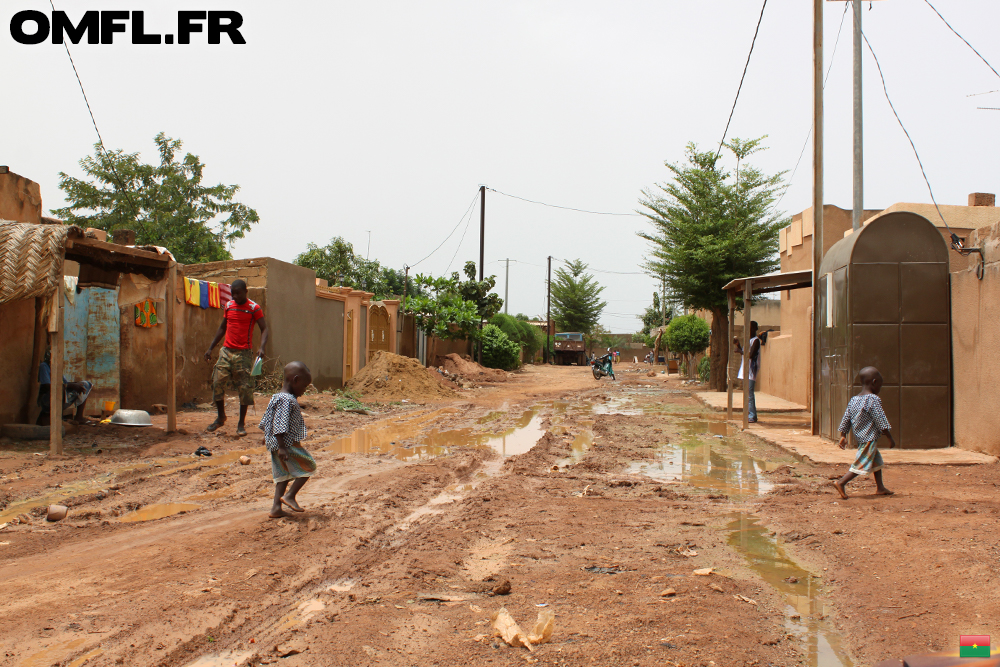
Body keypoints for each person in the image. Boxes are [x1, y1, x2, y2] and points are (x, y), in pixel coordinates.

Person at [204, 279, 269, 436]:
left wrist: (261, 347)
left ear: (246, 292)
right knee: (217, 381)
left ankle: (241, 424)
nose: (234, 296)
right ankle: (220, 417)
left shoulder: (254, 308)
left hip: (244, 353)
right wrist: (211, 347)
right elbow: (222, 327)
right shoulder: (228, 306)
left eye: (238, 293)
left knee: (245, 389)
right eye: (232, 293)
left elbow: (264, 328)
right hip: (226, 351)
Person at [259, 361, 315, 518]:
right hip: (286, 443)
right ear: (295, 380)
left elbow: (268, 418)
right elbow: (280, 422)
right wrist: (282, 446)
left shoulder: (277, 396)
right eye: (304, 386)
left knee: (283, 475)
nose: (304, 391)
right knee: (309, 466)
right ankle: (290, 496)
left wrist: (266, 435)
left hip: (276, 442)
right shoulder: (287, 400)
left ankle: (276, 508)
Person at [833, 366, 896, 499]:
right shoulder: (873, 399)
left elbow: (846, 418)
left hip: (861, 437)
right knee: (862, 464)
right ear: (874, 382)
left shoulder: (854, 400)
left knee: (876, 461)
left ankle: (880, 488)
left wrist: (843, 436)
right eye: (880, 385)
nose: (880, 388)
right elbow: (881, 420)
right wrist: (890, 437)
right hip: (869, 438)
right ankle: (841, 482)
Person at [36, 352, 93, 426]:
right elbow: (47, 386)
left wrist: (76, 384)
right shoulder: (44, 366)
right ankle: (58, 418)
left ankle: (79, 417)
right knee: (61, 389)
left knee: (84, 385)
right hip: (47, 399)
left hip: (60, 395)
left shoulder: (55, 367)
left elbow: (65, 382)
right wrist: (71, 385)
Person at [733, 321, 768, 423]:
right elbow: (745, 354)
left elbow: (751, 355)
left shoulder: (756, 341)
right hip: (745, 370)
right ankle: (750, 414)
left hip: (751, 371)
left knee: (749, 394)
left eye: (750, 328)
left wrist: (740, 351)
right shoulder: (750, 340)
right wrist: (739, 346)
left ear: (754, 329)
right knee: (747, 394)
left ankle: (752, 415)